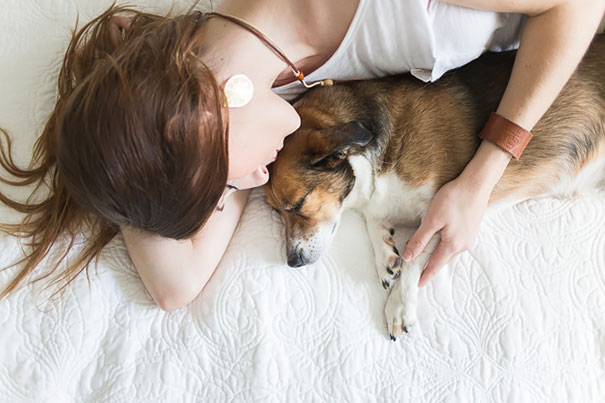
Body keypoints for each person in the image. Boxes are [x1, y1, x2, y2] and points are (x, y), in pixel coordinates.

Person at [0, 0, 603, 310]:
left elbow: (575, 7)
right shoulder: (257, 88)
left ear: (212, 107)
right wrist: (121, 150)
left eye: (224, 179)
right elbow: (174, 286)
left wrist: (484, 174)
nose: (251, 181)